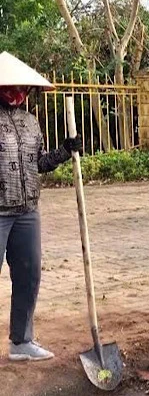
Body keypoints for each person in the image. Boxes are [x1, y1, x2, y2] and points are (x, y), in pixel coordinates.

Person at [0, 52, 82, 361]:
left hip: (27, 211)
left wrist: (65, 150)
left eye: (21, 87)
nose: (16, 92)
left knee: (29, 274)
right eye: (10, 86)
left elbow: (40, 163)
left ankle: (21, 342)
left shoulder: (30, 121)